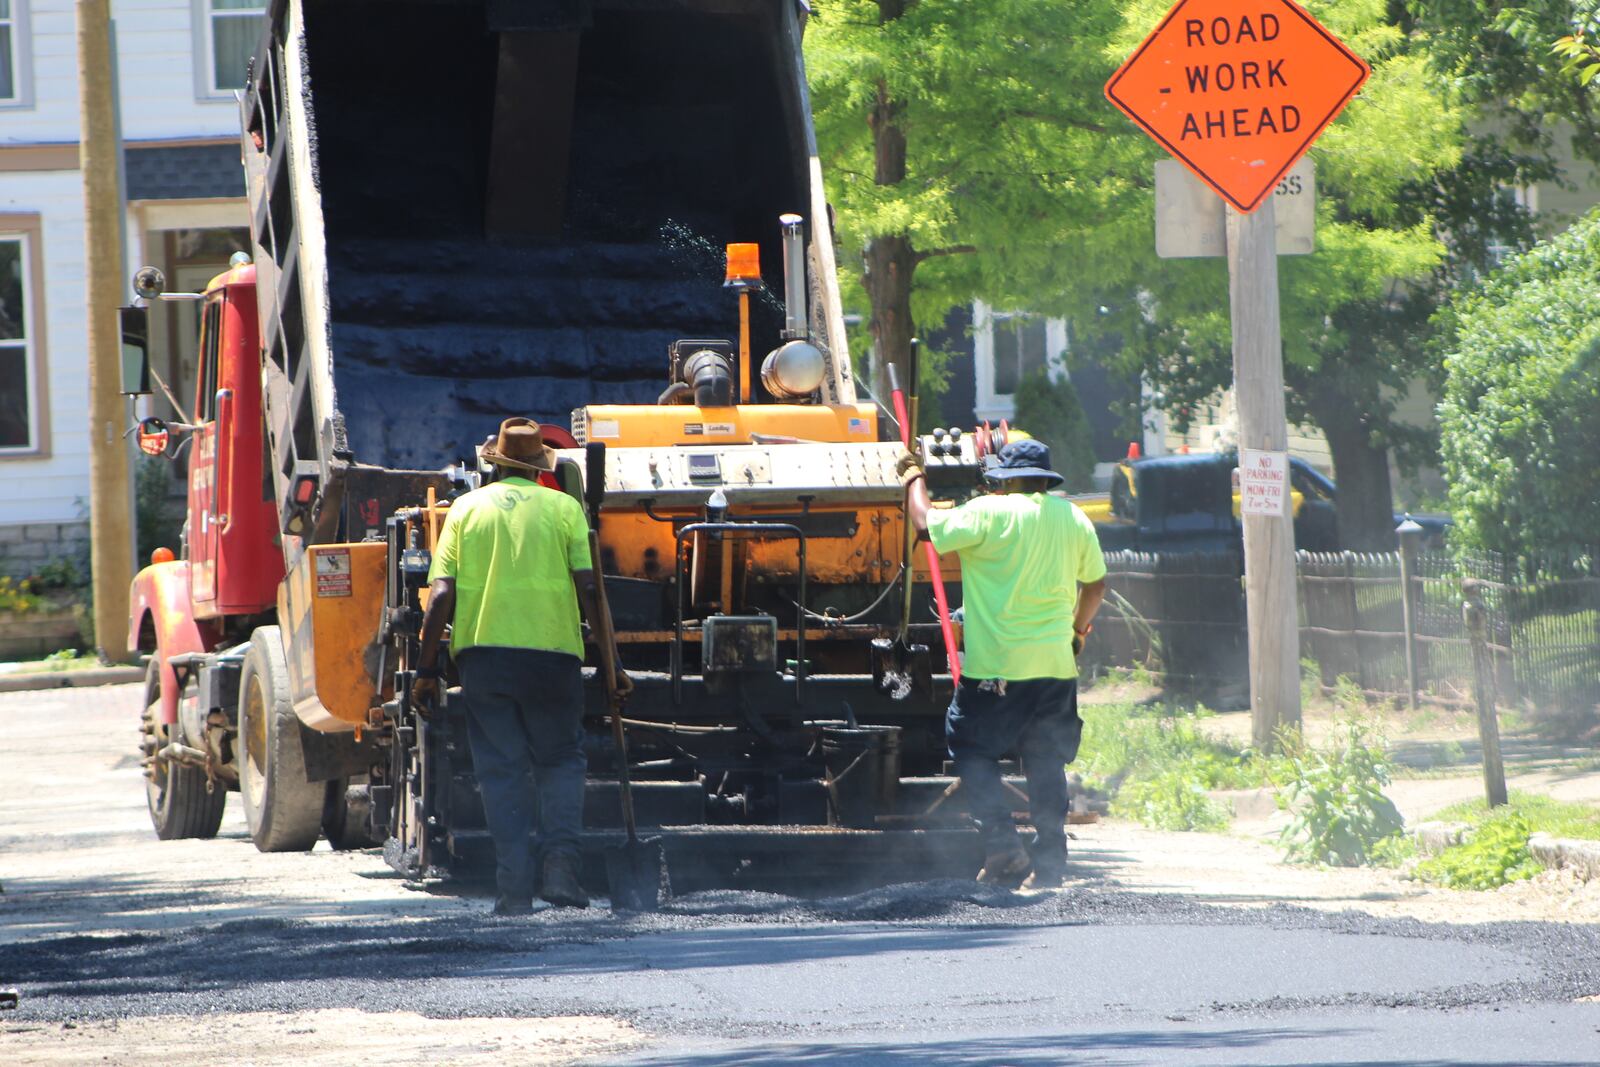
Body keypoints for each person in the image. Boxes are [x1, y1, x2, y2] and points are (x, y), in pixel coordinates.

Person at [410, 417, 630, 914]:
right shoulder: (566, 508)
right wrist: (612, 663)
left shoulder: (464, 510)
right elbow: (590, 588)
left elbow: (440, 594)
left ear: (495, 464)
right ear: (538, 469)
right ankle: (561, 871)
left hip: (485, 660)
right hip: (553, 659)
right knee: (559, 761)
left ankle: (513, 891)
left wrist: (427, 670)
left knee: (501, 770)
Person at [902, 437, 1107, 889]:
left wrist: (913, 476)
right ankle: (1051, 863)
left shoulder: (987, 512)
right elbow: (1095, 585)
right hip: (1055, 666)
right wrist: (1077, 632)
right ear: (1045, 480)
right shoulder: (1073, 517)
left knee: (973, 748)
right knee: (1046, 758)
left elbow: (924, 524)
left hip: (996, 669)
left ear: (1006, 480)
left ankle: (1002, 845)